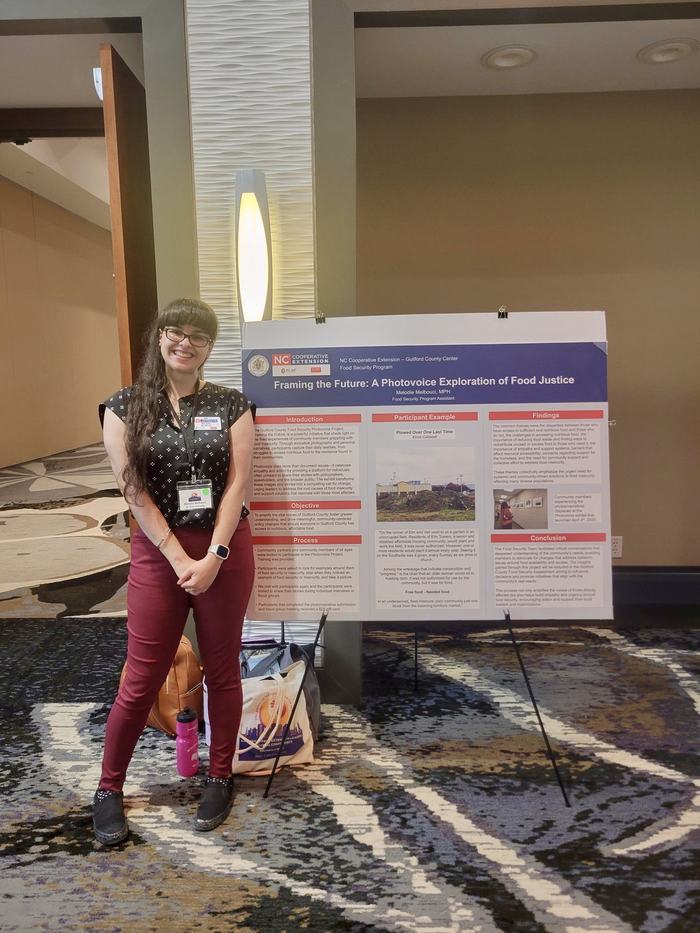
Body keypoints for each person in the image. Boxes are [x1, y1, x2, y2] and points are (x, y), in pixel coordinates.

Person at [93, 298, 255, 845]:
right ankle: (109, 788)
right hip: (157, 553)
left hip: (223, 551)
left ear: (210, 347)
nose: (185, 342)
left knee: (222, 668)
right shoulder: (122, 406)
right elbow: (132, 491)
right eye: (175, 332)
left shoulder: (233, 404)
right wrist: (180, 557)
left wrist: (215, 556)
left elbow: (237, 484)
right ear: (158, 337)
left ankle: (219, 773)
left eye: (199, 336)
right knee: (141, 677)